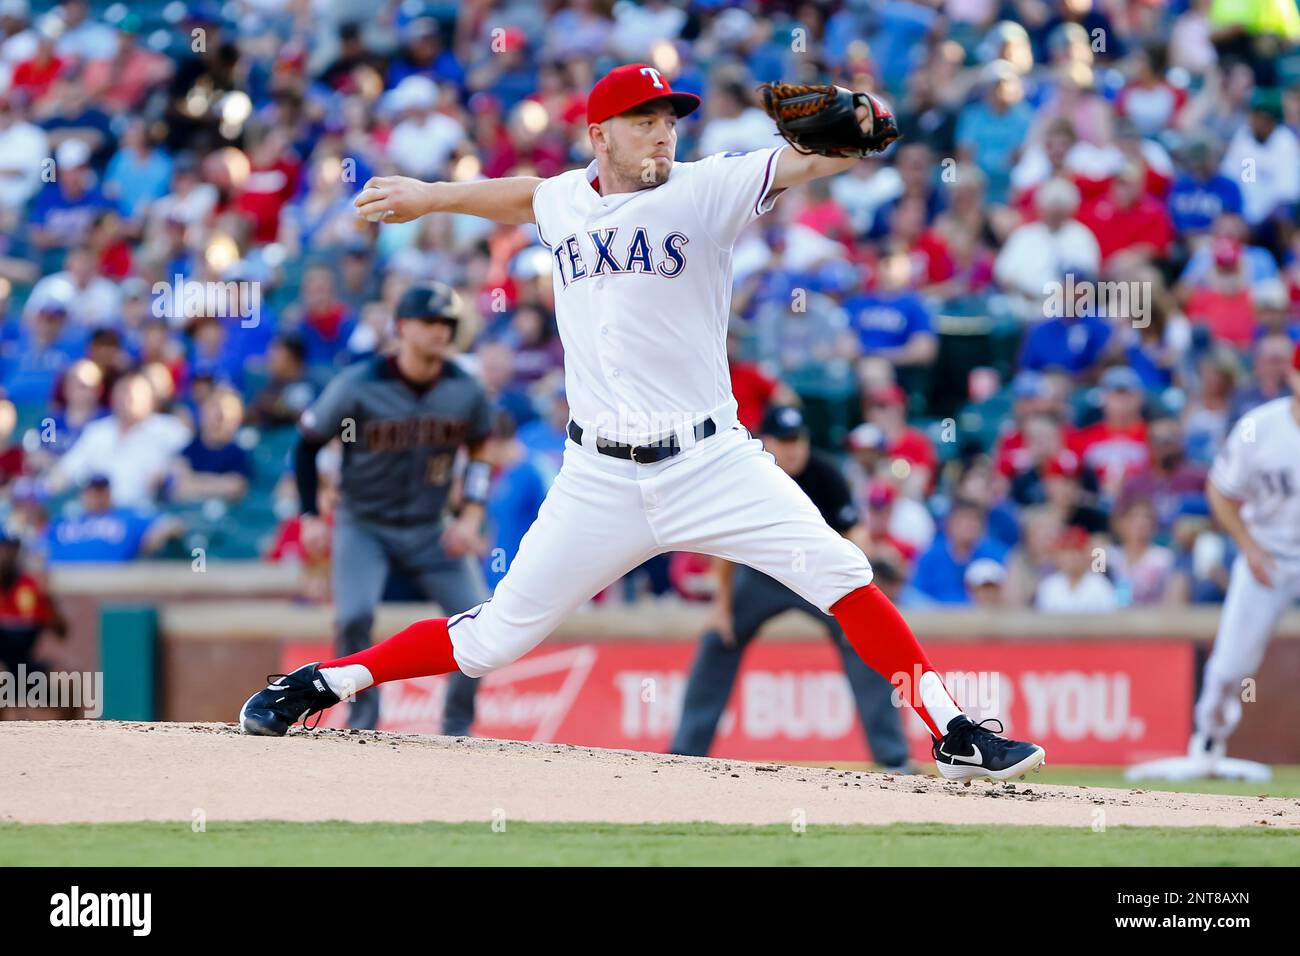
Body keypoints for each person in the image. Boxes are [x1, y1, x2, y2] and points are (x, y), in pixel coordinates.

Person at [242, 64, 1046, 782]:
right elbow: (525, 196)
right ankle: (326, 682)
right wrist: (434, 196)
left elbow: (809, 159)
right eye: (643, 118)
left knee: (843, 575)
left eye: (669, 117)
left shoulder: (707, 187)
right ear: (600, 136)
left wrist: (863, 127)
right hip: (598, 476)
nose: (663, 130)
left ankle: (954, 731)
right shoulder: (563, 198)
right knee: (492, 643)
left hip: (711, 460)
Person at [283, 281, 494, 732]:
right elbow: (305, 445)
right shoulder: (359, 384)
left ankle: (457, 730)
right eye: (430, 321)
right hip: (365, 523)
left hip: (430, 525)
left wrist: (471, 514)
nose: (440, 331)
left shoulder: (465, 388)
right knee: (353, 616)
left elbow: (480, 450)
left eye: (448, 323)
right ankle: (362, 721)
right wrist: (310, 515)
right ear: (401, 327)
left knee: (482, 621)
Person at [669, 406, 910, 770]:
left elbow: (855, 531)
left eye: (798, 440)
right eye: (784, 440)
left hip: (816, 574)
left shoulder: (824, 472)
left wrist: (864, 582)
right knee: (718, 639)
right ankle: (685, 755)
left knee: (864, 641)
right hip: (762, 575)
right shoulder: (752, 475)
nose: (793, 448)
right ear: (766, 441)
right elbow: (725, 545)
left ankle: (893, 758)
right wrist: (722, 608)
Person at [1168, 343, 1300, 779]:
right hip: (1268, 555)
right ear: (1292, 378)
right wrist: (1247, 545)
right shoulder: (1259, 428)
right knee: (1231, 666)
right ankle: (1207, 739)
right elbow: (1220, 491)